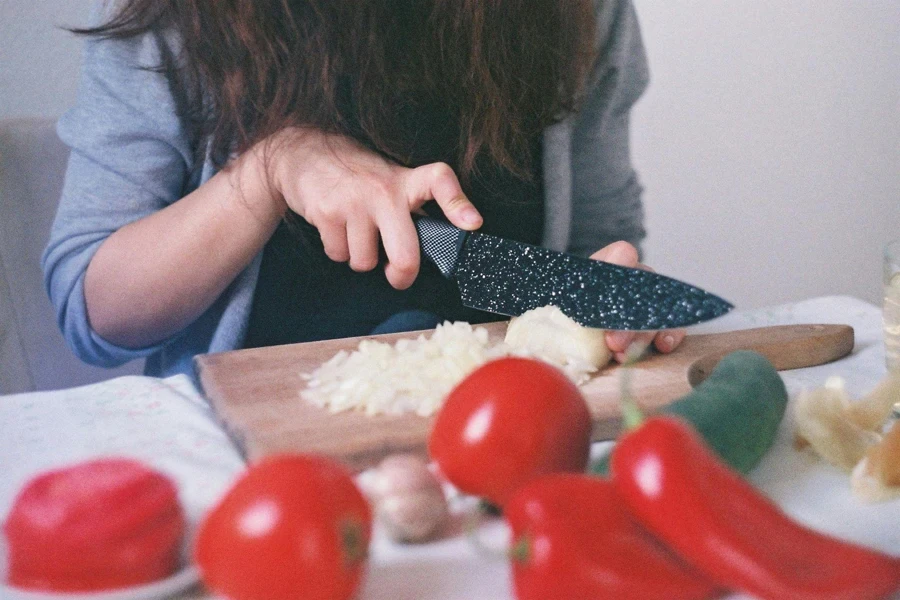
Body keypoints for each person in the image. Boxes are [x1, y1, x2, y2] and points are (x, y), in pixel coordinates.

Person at [43, 0, 685, 379]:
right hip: (250, 468)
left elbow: (601, 231)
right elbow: (94, 313)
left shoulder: (584, 12)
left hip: (505, 436)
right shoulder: (180, 17)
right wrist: (269, 171)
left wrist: (605, 290)